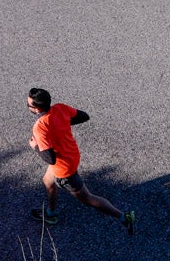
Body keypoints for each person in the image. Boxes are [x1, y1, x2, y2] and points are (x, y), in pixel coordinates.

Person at [26, 87, 136, 235]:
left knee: (87, 198)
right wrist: (61, 124)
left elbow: (50, 159)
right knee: (47, 181)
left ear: (37, 110)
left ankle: (123, 217)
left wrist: (35, 146)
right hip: (72, 154)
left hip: (63, 168)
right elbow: (84, 116)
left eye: (29, 106)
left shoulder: (40, 127)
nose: (28, 107)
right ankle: (51, 213)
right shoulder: (60, 108)